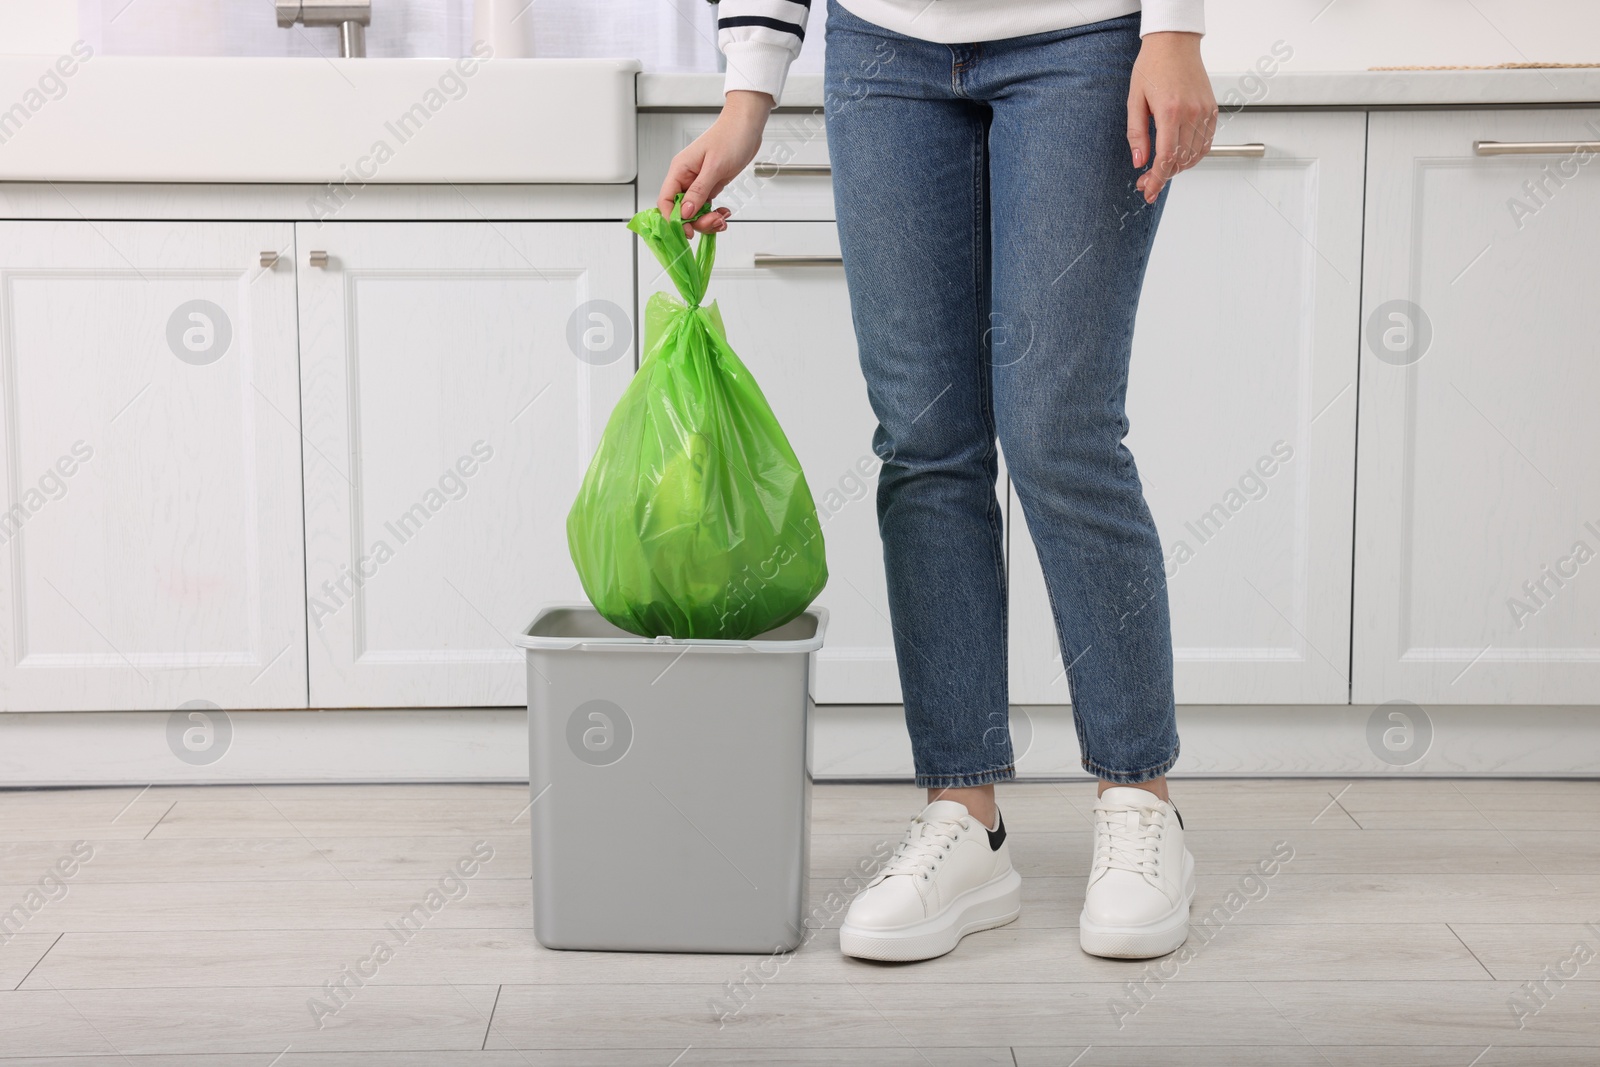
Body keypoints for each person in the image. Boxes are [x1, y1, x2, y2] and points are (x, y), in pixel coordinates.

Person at [657, 0, 1216, 962]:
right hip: (883, 46)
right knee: (924, 442)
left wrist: (1174, 29)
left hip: (1081, 37)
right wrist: (749, 88)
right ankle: (966, 816)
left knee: (1060, 432)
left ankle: (1139, 800)